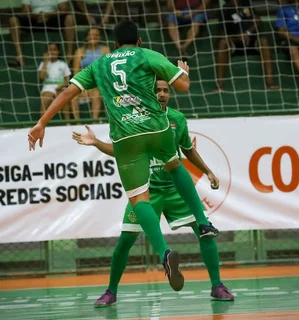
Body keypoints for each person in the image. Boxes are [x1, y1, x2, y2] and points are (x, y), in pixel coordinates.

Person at [27, 20, 219, 293]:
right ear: (138, 40)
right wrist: (182, 72)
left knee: (139, 199)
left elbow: (68, 92)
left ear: (115, 44)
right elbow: (183, 86)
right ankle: (202, 222)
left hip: (125, 136)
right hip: (157, 128)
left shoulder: (100, 64)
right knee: (175, 164)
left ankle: (164, 253)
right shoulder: (146, 54)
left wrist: (42, 122)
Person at [72, 79, 235, 307]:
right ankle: (111, 291)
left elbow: (188, 149)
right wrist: (97, 143)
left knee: (205, 230)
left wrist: (207, 171)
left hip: (175, 190)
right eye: (157, 90)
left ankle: (217, 286)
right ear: (148, 93)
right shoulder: (135, 119)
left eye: (165, 90)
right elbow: (121, 151)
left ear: (170, 94)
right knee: (124, 243)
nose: (161, 94)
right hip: (146, 192)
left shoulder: (177, 119)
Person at [215, 0, 277, 91]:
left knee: (263, 41)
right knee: (222, 43)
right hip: (235, 42)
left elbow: (257, 20)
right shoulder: (225, 9)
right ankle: (220, 86)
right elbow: (222, 33)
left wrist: (247, 33)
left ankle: (270, 83)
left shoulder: (246, 4)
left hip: (251, 40)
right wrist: (238, 37)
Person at [8, 0, 75, 67]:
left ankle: (69, 56)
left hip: (52, 18)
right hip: (34, 19)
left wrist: (47, 15)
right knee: (13, 20)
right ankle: (19, 57)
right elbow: (25, 10)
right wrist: (37, 16)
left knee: (69, 18)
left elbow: (64, 9)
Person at [71, 28, 110, 120]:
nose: (94, 37)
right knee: (73, 96)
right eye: (91, 35)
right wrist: (82, 87)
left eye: (96, 35)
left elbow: (107, 70)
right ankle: (77, 122)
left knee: (96, 94)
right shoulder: (79, 52)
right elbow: (76, 72)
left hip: (100, 82)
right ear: (86, 37)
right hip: (85, 82)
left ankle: (94, 121)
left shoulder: (105, 49)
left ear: (100, 37)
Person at [37, 43, 71, 117]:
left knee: (64, 99)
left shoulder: (63, 64)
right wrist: (45, 61)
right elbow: (42, 77)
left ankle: (68, 122)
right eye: (50, 50)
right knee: (45, 100)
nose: (52, 52)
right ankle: (42, 123)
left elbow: (67, 80)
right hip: (48, 87)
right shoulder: (43, 64)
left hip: (61, 86)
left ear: (58, 52)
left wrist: (61, 86)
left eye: (54, 50)